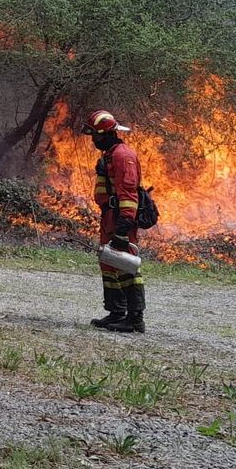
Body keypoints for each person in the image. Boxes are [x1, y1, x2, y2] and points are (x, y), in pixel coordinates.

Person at [84, 109, 146, 333]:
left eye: (96, 135)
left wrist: (122, 229)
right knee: (109, 264)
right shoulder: (109, 154)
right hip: (110, 216)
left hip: (120, 219)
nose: (93, 140)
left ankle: (135, 319)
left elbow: (129, 195)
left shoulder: (123, 156)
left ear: (108, 134)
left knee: (126, 265)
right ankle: (116, 312)